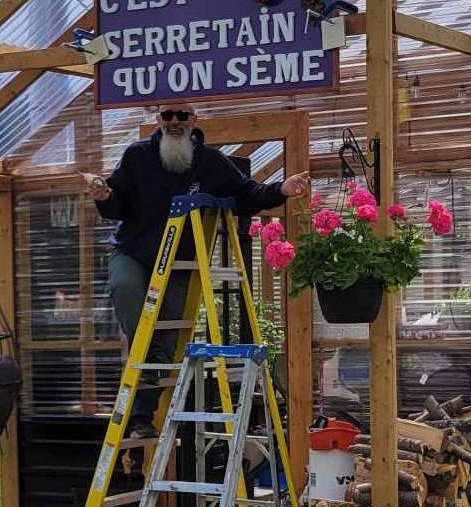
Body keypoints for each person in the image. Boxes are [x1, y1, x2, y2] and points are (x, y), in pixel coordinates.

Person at [84, 102, 309, 436]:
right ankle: (141, 392)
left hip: (179, 263)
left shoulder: (211, 163)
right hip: (133, 252)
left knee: (166, 336)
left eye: (182, 116)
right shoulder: (136, 156)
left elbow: (246, 193)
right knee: (130, 298)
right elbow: (117, 206)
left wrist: (280, 189)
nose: (174, 122)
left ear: (194, 120)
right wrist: (103, 196)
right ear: (158, 120)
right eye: (167, 116)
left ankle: (141, 418)